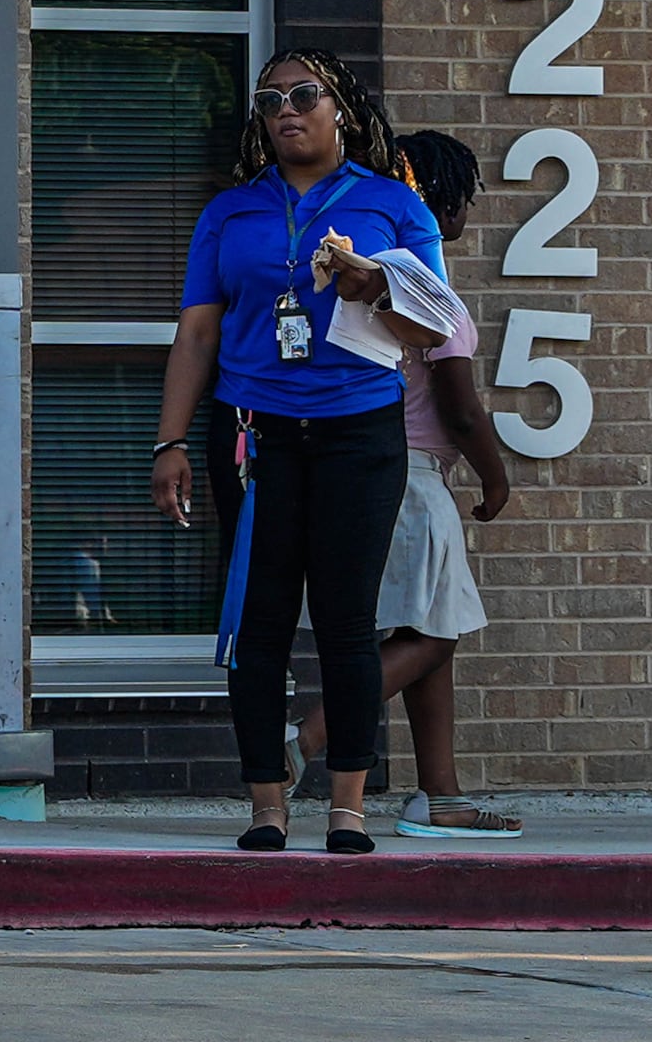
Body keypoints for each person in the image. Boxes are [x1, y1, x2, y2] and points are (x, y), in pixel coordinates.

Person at [152, 50, 447, 857]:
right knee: (259, 620)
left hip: (359, 432)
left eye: (304, 95)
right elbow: (198, 332)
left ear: (340, 109)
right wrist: (168, 441)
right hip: (255, 436)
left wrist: (372, 286)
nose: (286, 110)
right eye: (271, 99)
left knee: (348, 622)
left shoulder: (393, 206)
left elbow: (435, 329)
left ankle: (346, 809)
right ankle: (265, 807)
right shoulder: (230, 212)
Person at [291, 130, 519, 837]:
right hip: (414, 479)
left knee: (425, 631)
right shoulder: (425, 287)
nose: (466, 216)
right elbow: (459, 408)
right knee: (434, 636)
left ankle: (438, 793)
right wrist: (495, 476)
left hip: (357, 473)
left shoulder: (367, 278)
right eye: (465, 198)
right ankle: (303, 740)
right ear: (437, 198)